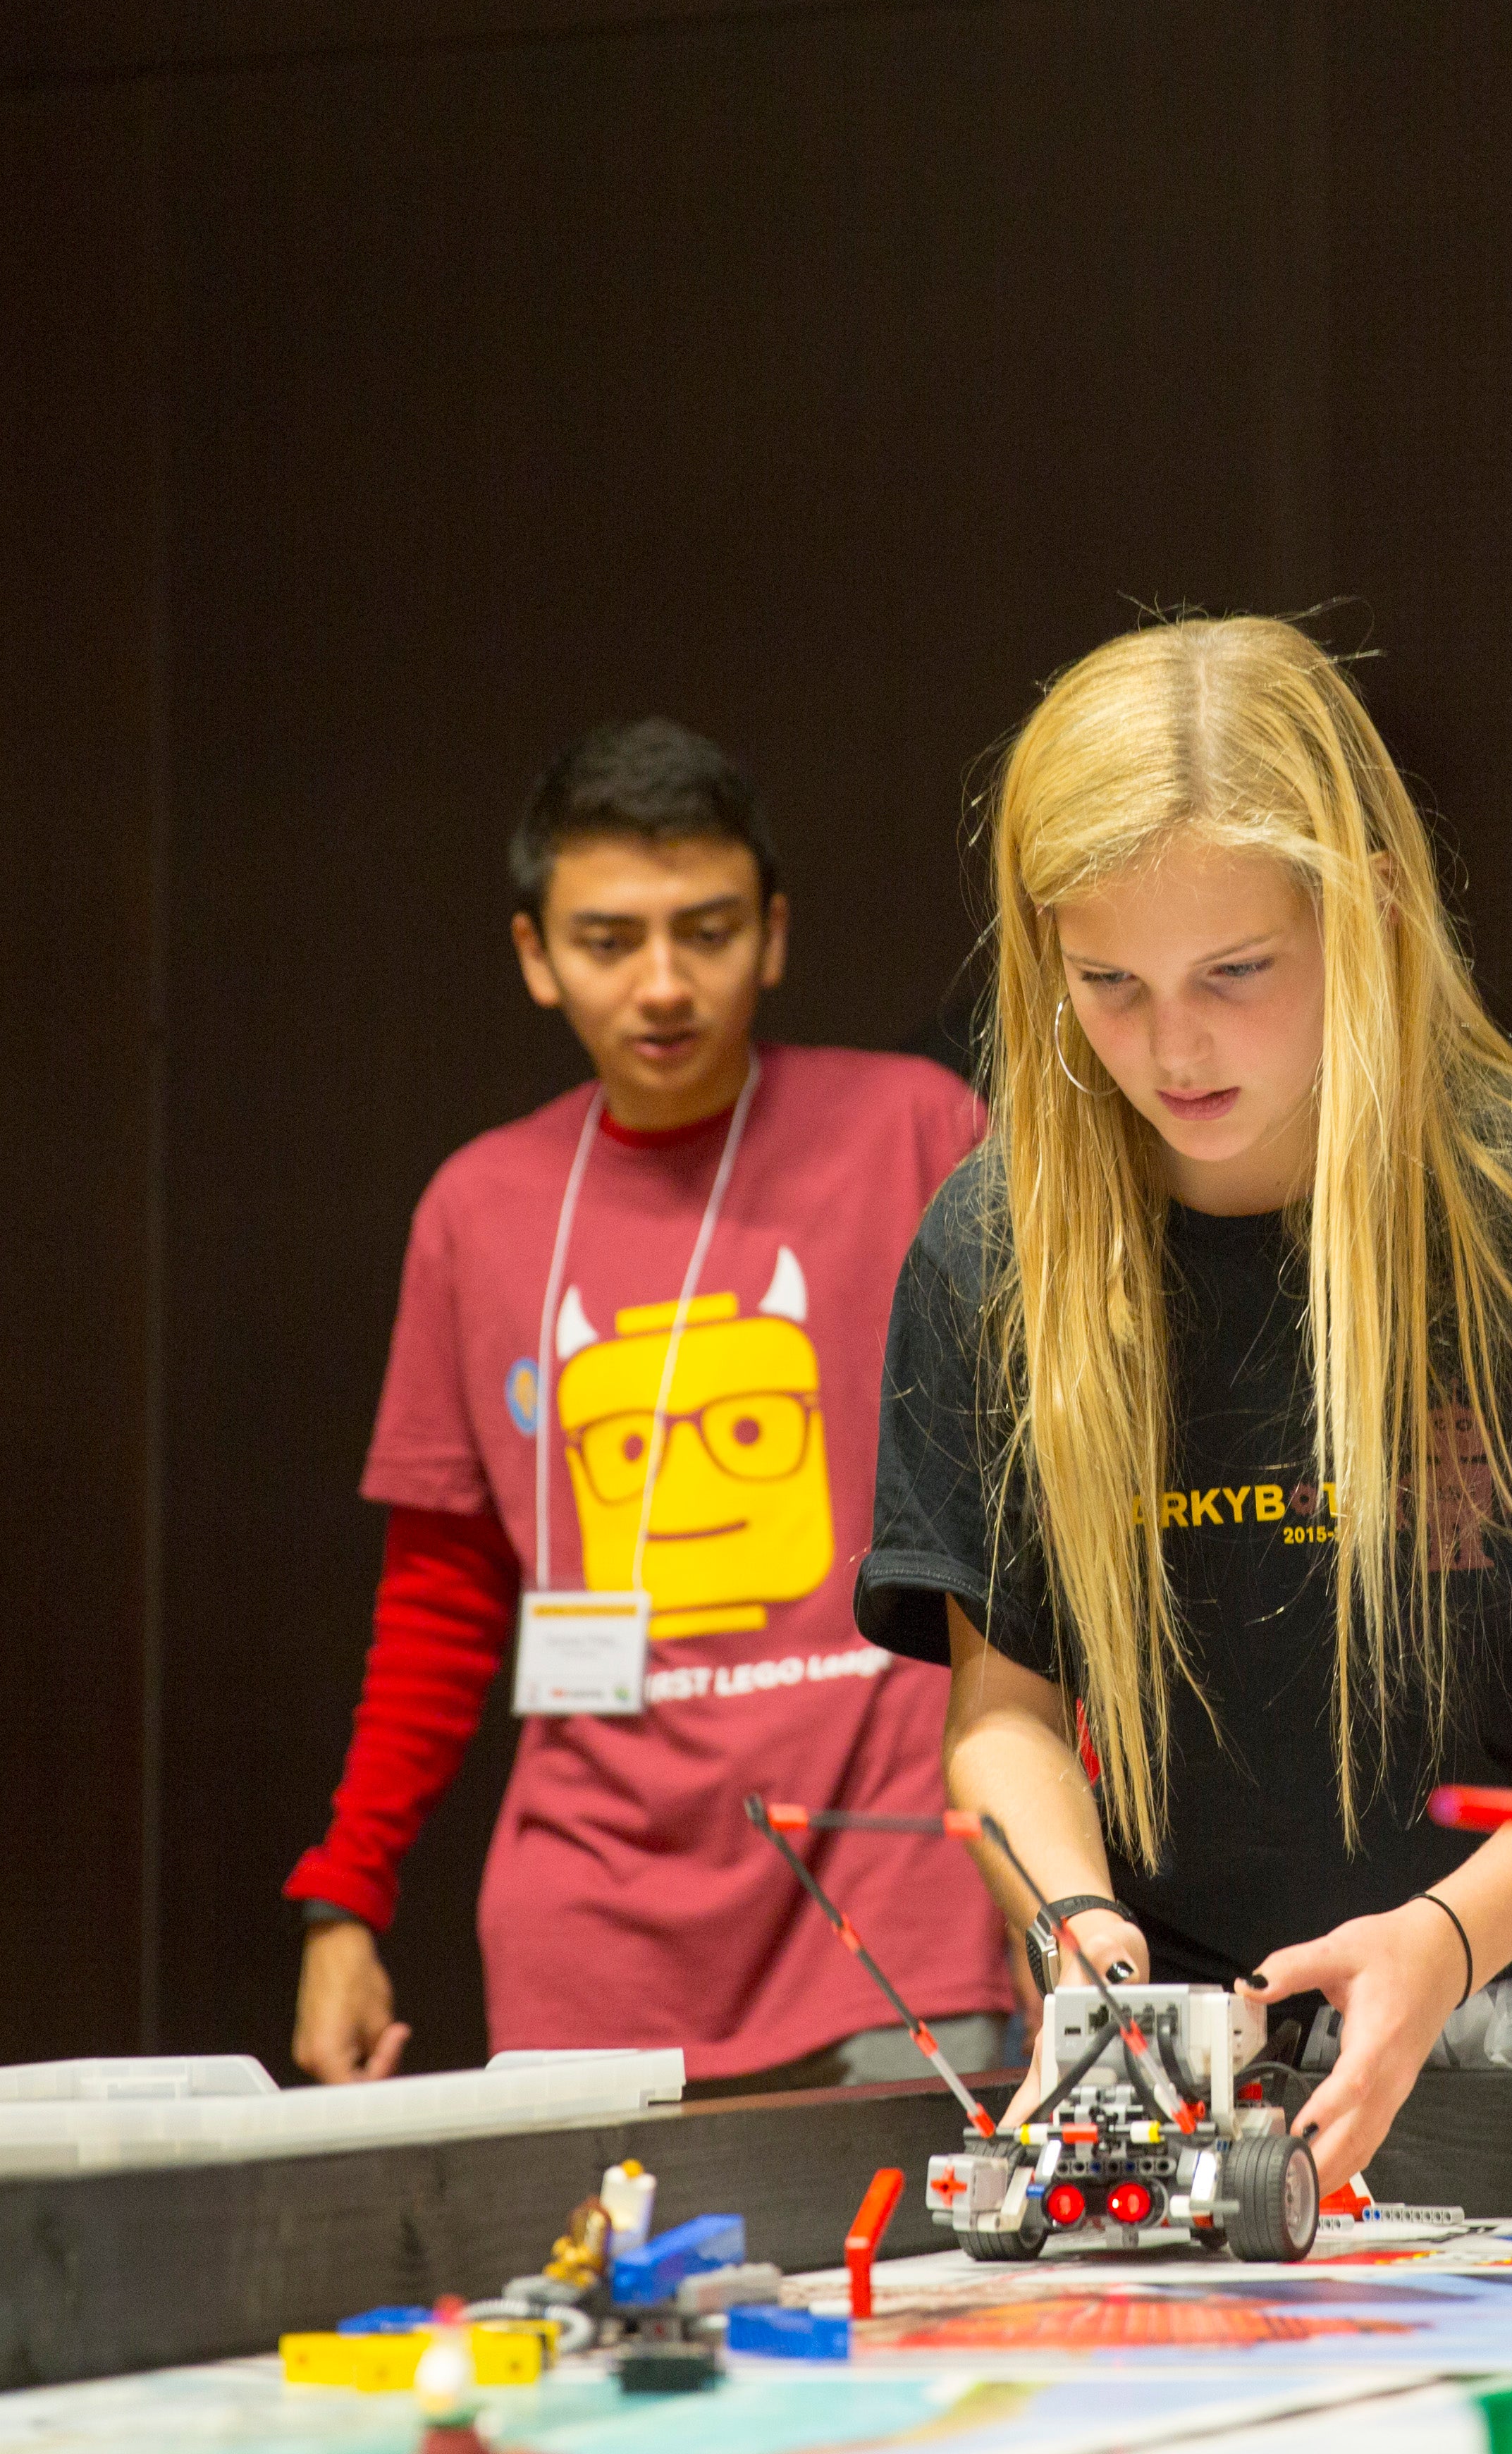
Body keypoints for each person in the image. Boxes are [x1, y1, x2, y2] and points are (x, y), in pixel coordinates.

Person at [855, 618, 1512, 2191]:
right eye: (1108, 983)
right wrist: (1078, 1929)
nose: (1174, 1046)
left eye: (1237, 974)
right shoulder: (997, 1247)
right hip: (1192, 2048)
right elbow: (1006, 1710)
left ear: (1366, 910)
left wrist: (1442, 1941)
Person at [285, 722, 1019, 2087]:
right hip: (593, 1914)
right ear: (535, 955)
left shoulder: (917, 1130)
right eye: (611, 940)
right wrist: (348, 1903)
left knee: (927, 2289)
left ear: (775, 934)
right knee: (607, 2294)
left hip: (895, 1881)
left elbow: (1044, 1510)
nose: (665, 984)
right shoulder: (479, 1210)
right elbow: (441, 1598)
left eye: (710, 930)